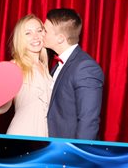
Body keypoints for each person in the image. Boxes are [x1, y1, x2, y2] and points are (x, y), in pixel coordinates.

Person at [0, 14, 53, 136]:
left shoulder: (45, 67)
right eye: (28, 33)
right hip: (23, 132)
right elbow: (5, 102)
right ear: (20, 39)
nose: (35, 36)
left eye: (39, 30)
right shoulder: (15, 65)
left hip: (45, 134)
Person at [42, 8, 103, 140]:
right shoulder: (59, 63)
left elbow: (88, 121)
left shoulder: (85, 67)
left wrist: (75, 151)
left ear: (60, 38)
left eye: (45, 31)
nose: (41, 34)